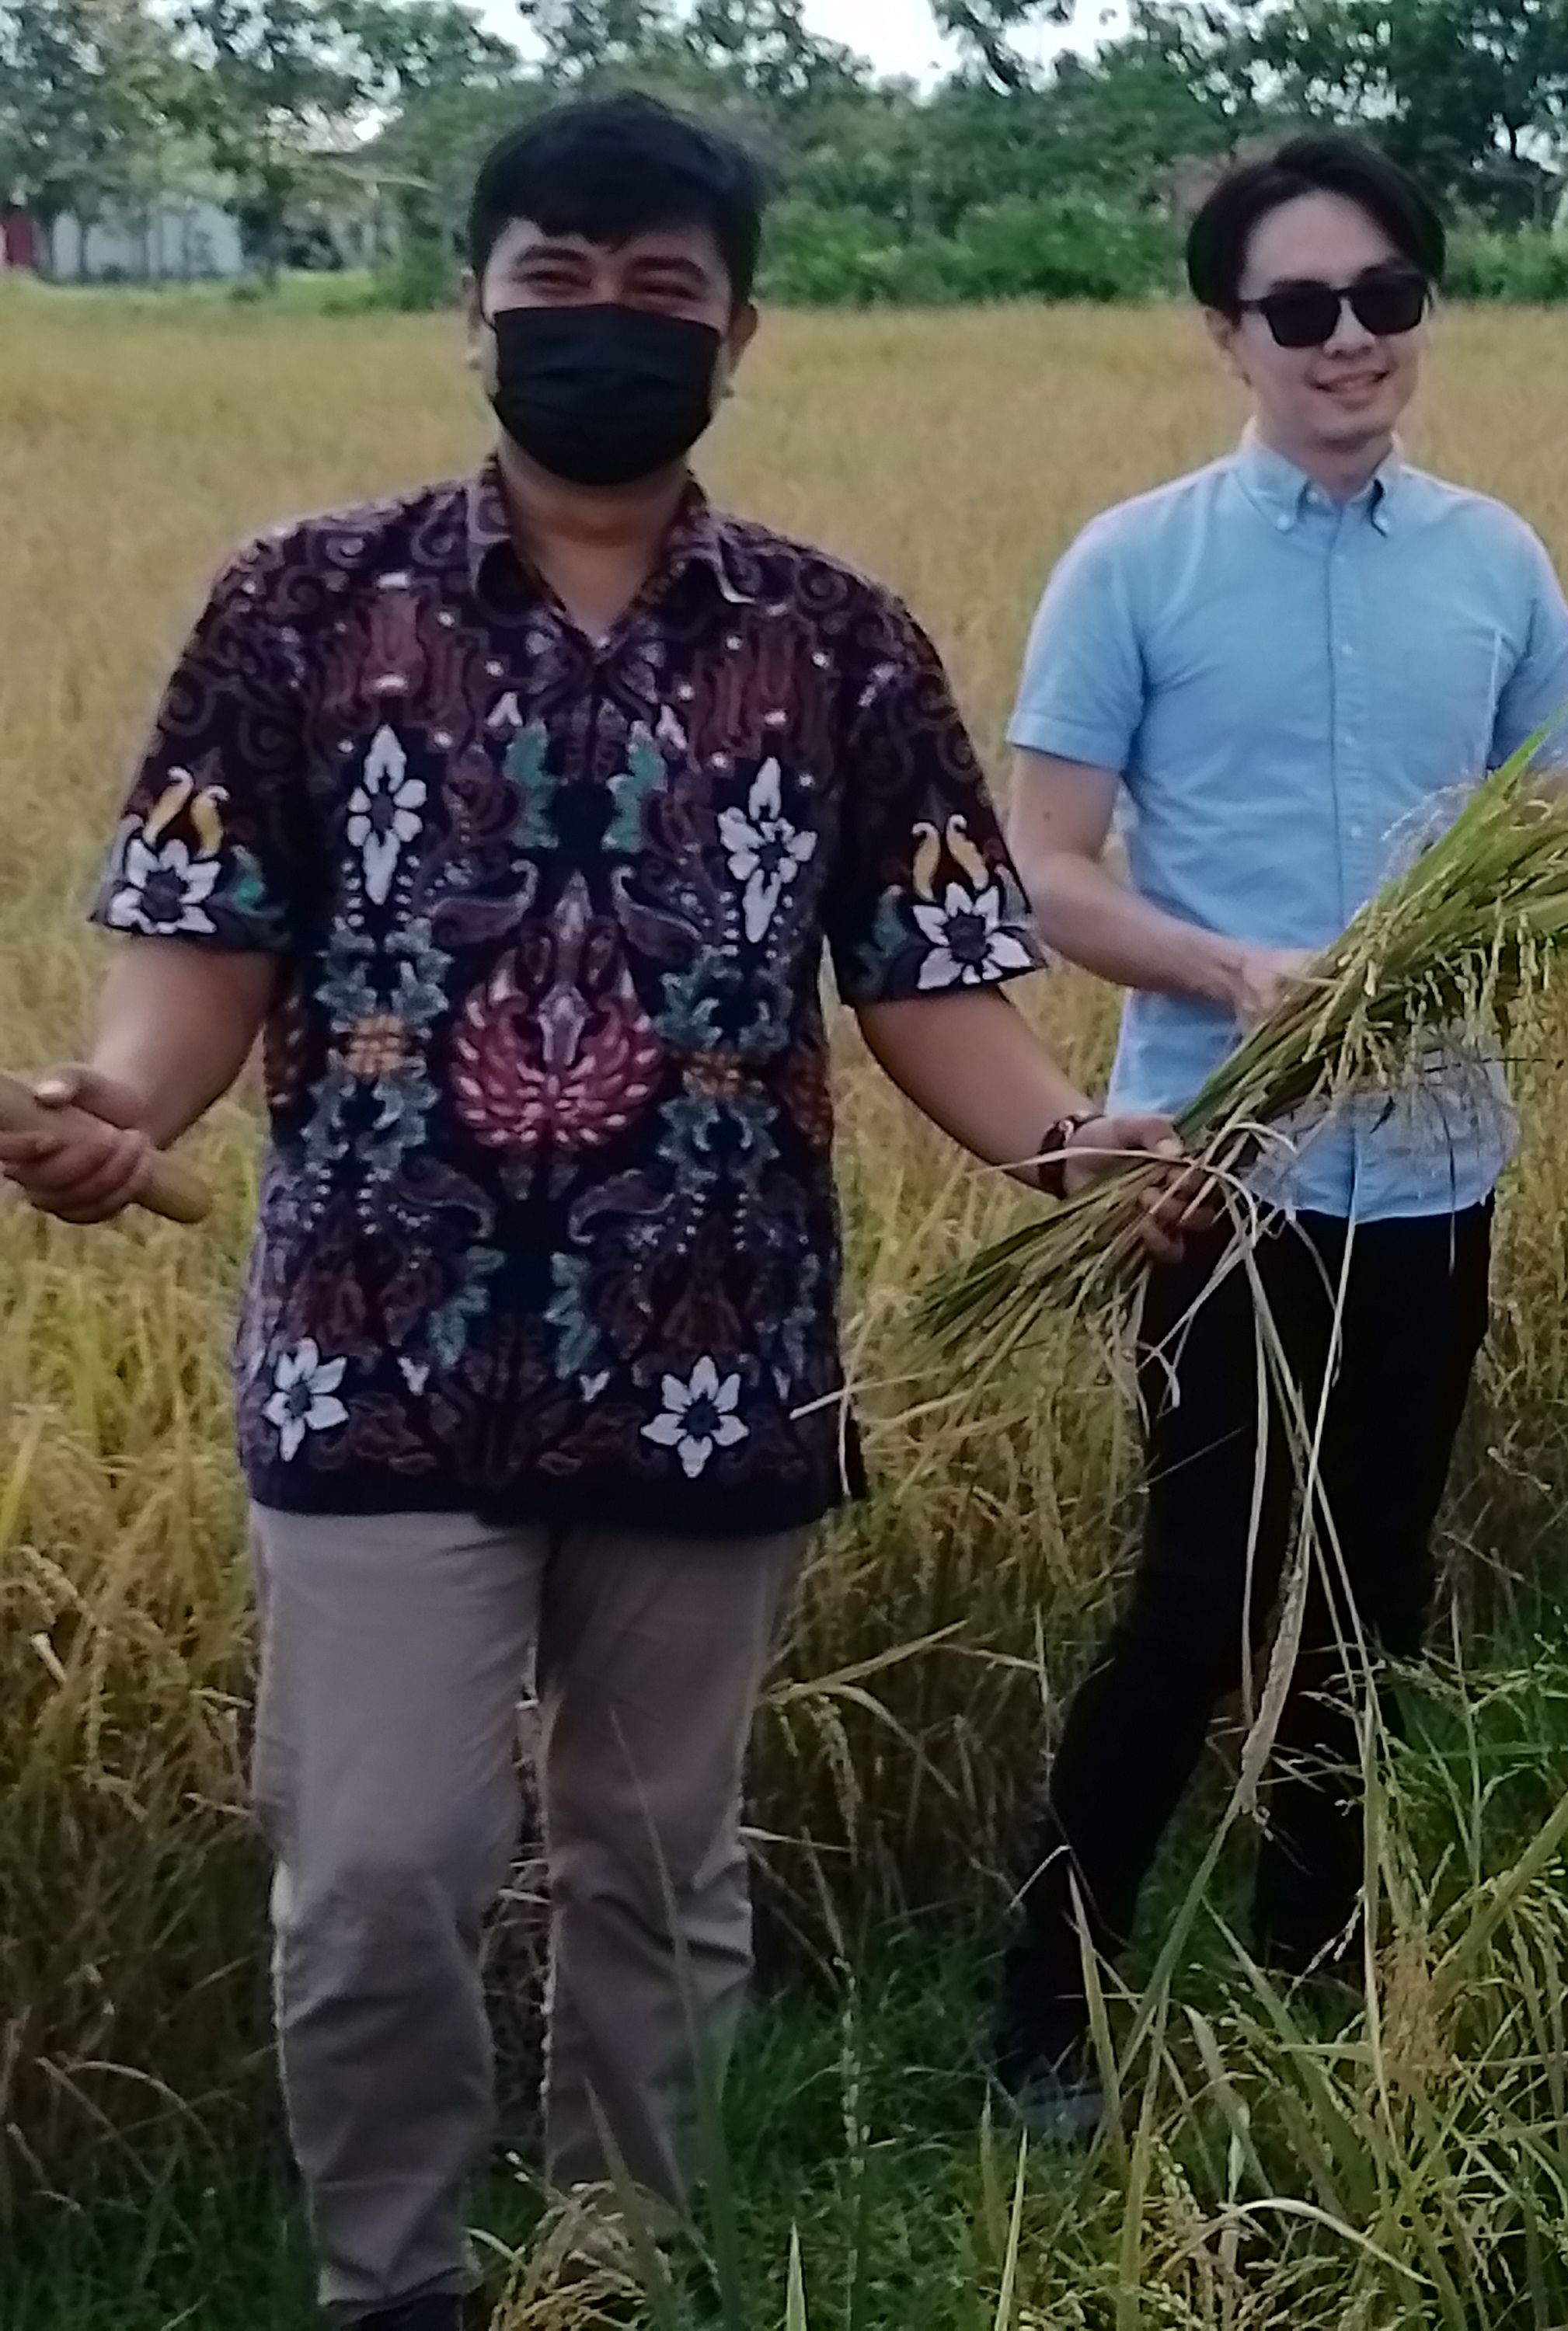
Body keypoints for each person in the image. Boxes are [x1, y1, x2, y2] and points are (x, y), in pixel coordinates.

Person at [0, 94, 1180, 2331]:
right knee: (374, 1878)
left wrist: (1072, 1148)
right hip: (374, 1352)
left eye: (661, 296)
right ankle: (400, 2285)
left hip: (716, 1353)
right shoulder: (298, 605)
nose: (604, 331)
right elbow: (199, 942)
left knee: (656, 1872)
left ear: (739, 335)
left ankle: (627, 2270)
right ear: (474, 307)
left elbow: (933, 981)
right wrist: (115, 1103)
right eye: (558, 284)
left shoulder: (837, 642)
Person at [989, 135, 1568, 2139]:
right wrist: (1228, 966)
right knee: (1196, 1593)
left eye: (1384, 301)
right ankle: (1044, 2010)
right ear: (1227, 334)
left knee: (1375, 1584)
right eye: (1302, 310)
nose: (1351, 341)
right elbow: (1046, 872)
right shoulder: (1135, 562)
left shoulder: (1492, 562)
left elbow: (1565, 831)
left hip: (1433, 1161)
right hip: (1207, 1174)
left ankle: (1316, 1950)